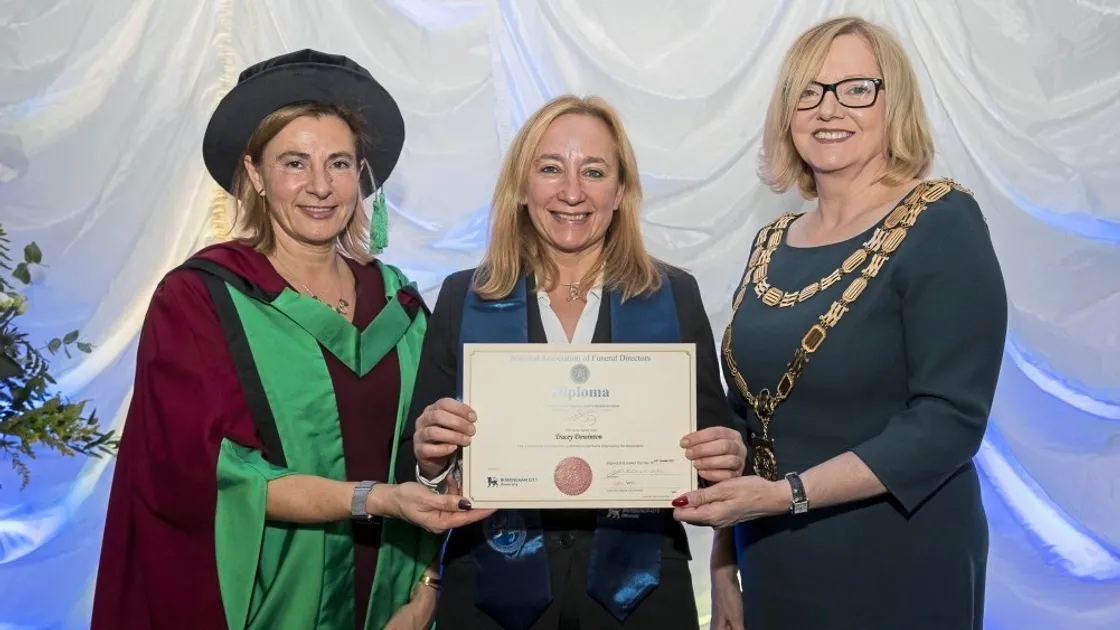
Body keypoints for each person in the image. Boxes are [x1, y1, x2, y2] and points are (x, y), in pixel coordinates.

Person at [91, 49, 492, 630]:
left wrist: (430, 589)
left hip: (394, 605)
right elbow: (215, 475)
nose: (321, 187)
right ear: (254, 173)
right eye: (294, 163)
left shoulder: (400, 305)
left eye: (339, 163)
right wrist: (373, 499)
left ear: (362, 175)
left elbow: (440, 455)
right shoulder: (202, 301)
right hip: (264, 605)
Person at [670, 16, 1008, 630]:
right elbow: (748, 425)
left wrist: (786, 495)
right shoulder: (771, 241)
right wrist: (722, 566)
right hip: (771, 554)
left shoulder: (942, 221)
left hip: (898, 556)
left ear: (893, 102)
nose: (829, 109)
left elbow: (949, 422)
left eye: (856, 88)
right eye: (809, 90)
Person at [394, 95, 746, 630]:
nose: (573, 192)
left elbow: (711, 442)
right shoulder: (465, 296)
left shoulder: (672, 295)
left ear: (621, 190)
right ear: (521, 185)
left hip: (641, 595)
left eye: (595, 172)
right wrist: (431, 458)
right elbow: (415, 466)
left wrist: (724, 453)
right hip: (490, 593)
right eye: (551, 168)